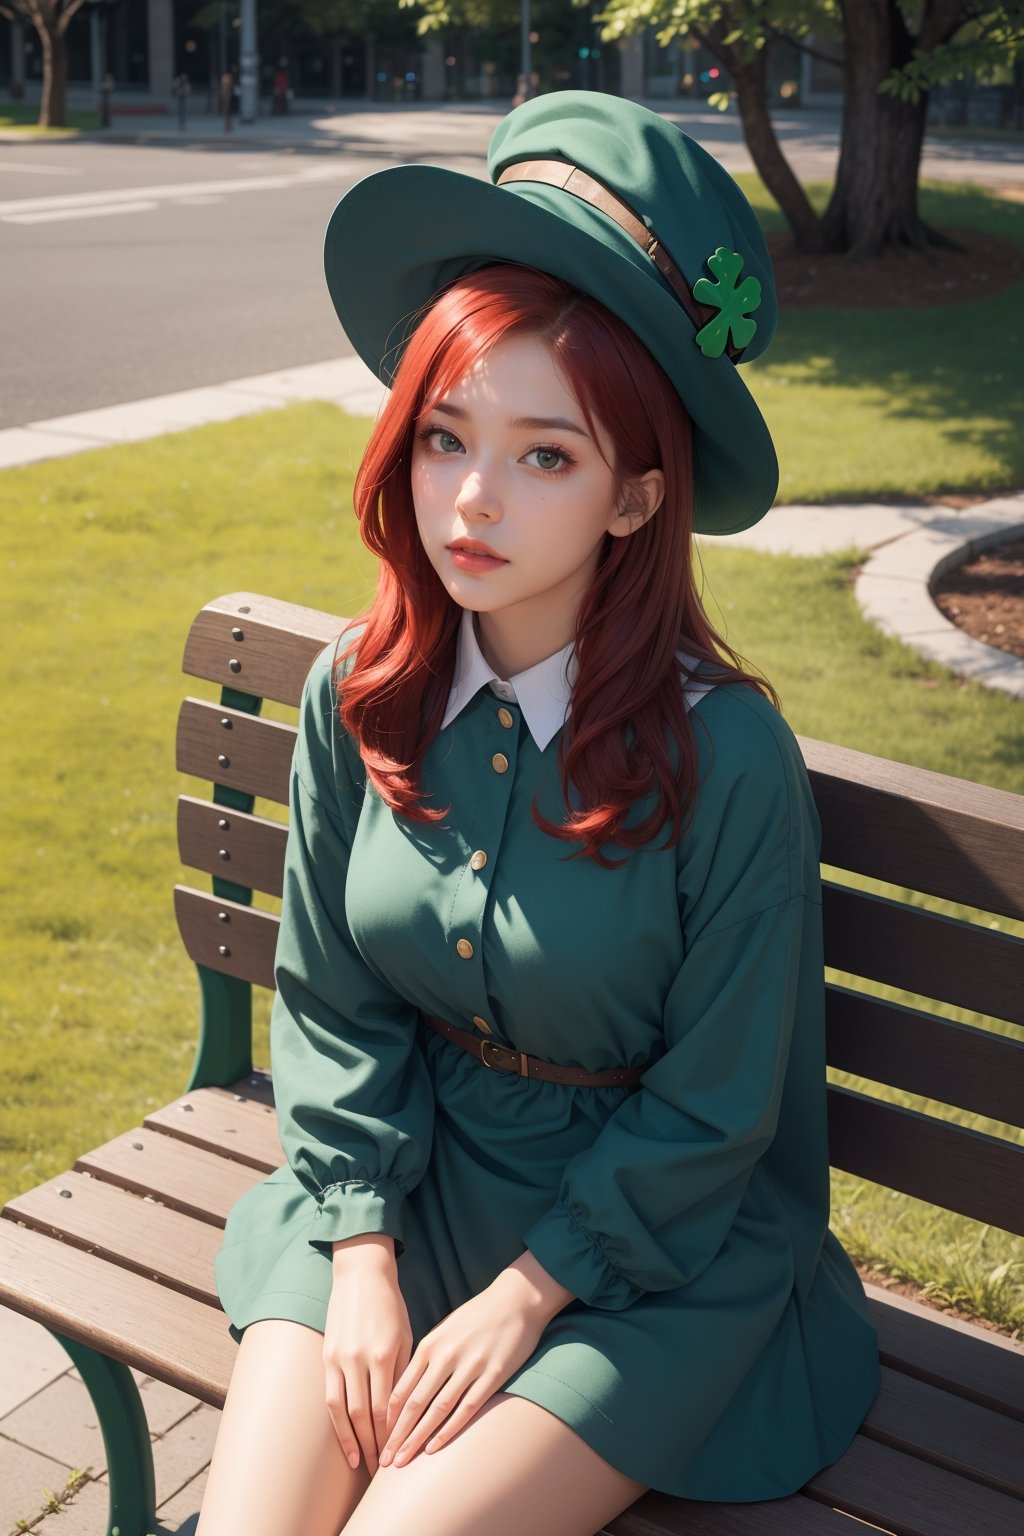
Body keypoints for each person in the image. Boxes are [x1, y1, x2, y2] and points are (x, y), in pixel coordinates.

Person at [196, 91, 881, 1536]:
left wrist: (528, 1297)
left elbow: (716, 1108)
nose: (473, 502)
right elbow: (332, 1002)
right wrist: (362, 1258)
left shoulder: (728, 757)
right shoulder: (361, 689)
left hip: (651, 1249)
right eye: (446, 436)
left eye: (545, 455)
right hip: (400, 1177)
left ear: (637, 496)